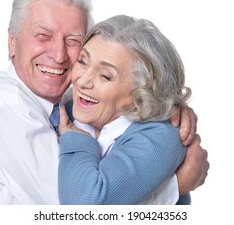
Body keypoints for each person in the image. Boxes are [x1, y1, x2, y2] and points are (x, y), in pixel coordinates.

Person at [0, 0, 209, 204]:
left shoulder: (67, 105)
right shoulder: (5, 106)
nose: (59, 55)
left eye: (73, 42)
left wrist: (164, 104)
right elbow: (73, 209)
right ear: (12, 43)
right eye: (43, 36)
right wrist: (176, 186)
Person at [57, 15, 193, 204]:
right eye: (82, 61)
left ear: (141, 94)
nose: (82, 81)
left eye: (105, 76)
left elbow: (84, 206)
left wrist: (77, 140)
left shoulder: (161, 134)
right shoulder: (68, 107)